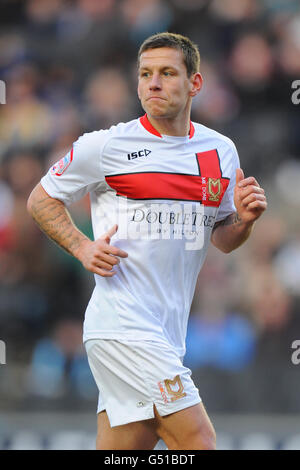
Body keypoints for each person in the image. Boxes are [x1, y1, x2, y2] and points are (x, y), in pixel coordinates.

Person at [27, 32, 267, 450]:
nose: (153, 83)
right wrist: (82, 246)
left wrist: (243, 222)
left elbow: (223, 240)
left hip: (167, 335)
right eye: (145, 74)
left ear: (195, 83)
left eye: (167, 73)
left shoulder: (219, 151)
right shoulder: (105, 146)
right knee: (199, 442)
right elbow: (41, 199)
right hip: (122, 327)